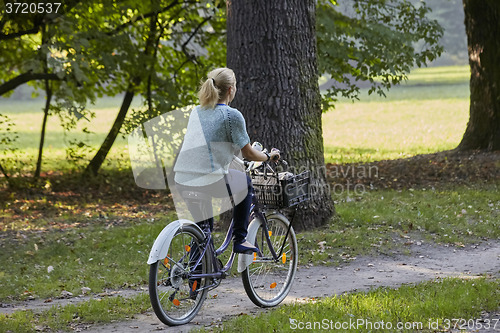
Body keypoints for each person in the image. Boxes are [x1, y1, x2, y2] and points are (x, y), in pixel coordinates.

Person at [173, 67, 279, 254]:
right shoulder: (231, 115)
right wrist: (268, 156)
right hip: (209, 179)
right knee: (245, 183)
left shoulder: (197, 112)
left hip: (182, 178)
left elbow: (209, 148)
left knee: (203, 229)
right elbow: (249, 154)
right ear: (231, 89)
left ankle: (199, 278)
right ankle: (240, 238)